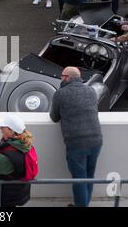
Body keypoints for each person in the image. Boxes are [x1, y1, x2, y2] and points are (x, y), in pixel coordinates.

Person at [50, 66, 103, 207]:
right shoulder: (91, 91)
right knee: (89, 177)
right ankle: (84, 204)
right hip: (96, 140)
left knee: (79, 179)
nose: (60, 79)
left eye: (61, 76)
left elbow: (54, 117)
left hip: (77, 142)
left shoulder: (60, 94)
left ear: (67, 77)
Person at [0, 115, 36, 207]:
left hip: (6, 195)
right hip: (18, 190)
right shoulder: (25, 145)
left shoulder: (6, 157)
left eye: (3, 127)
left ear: (11, 131)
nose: (0, 128)